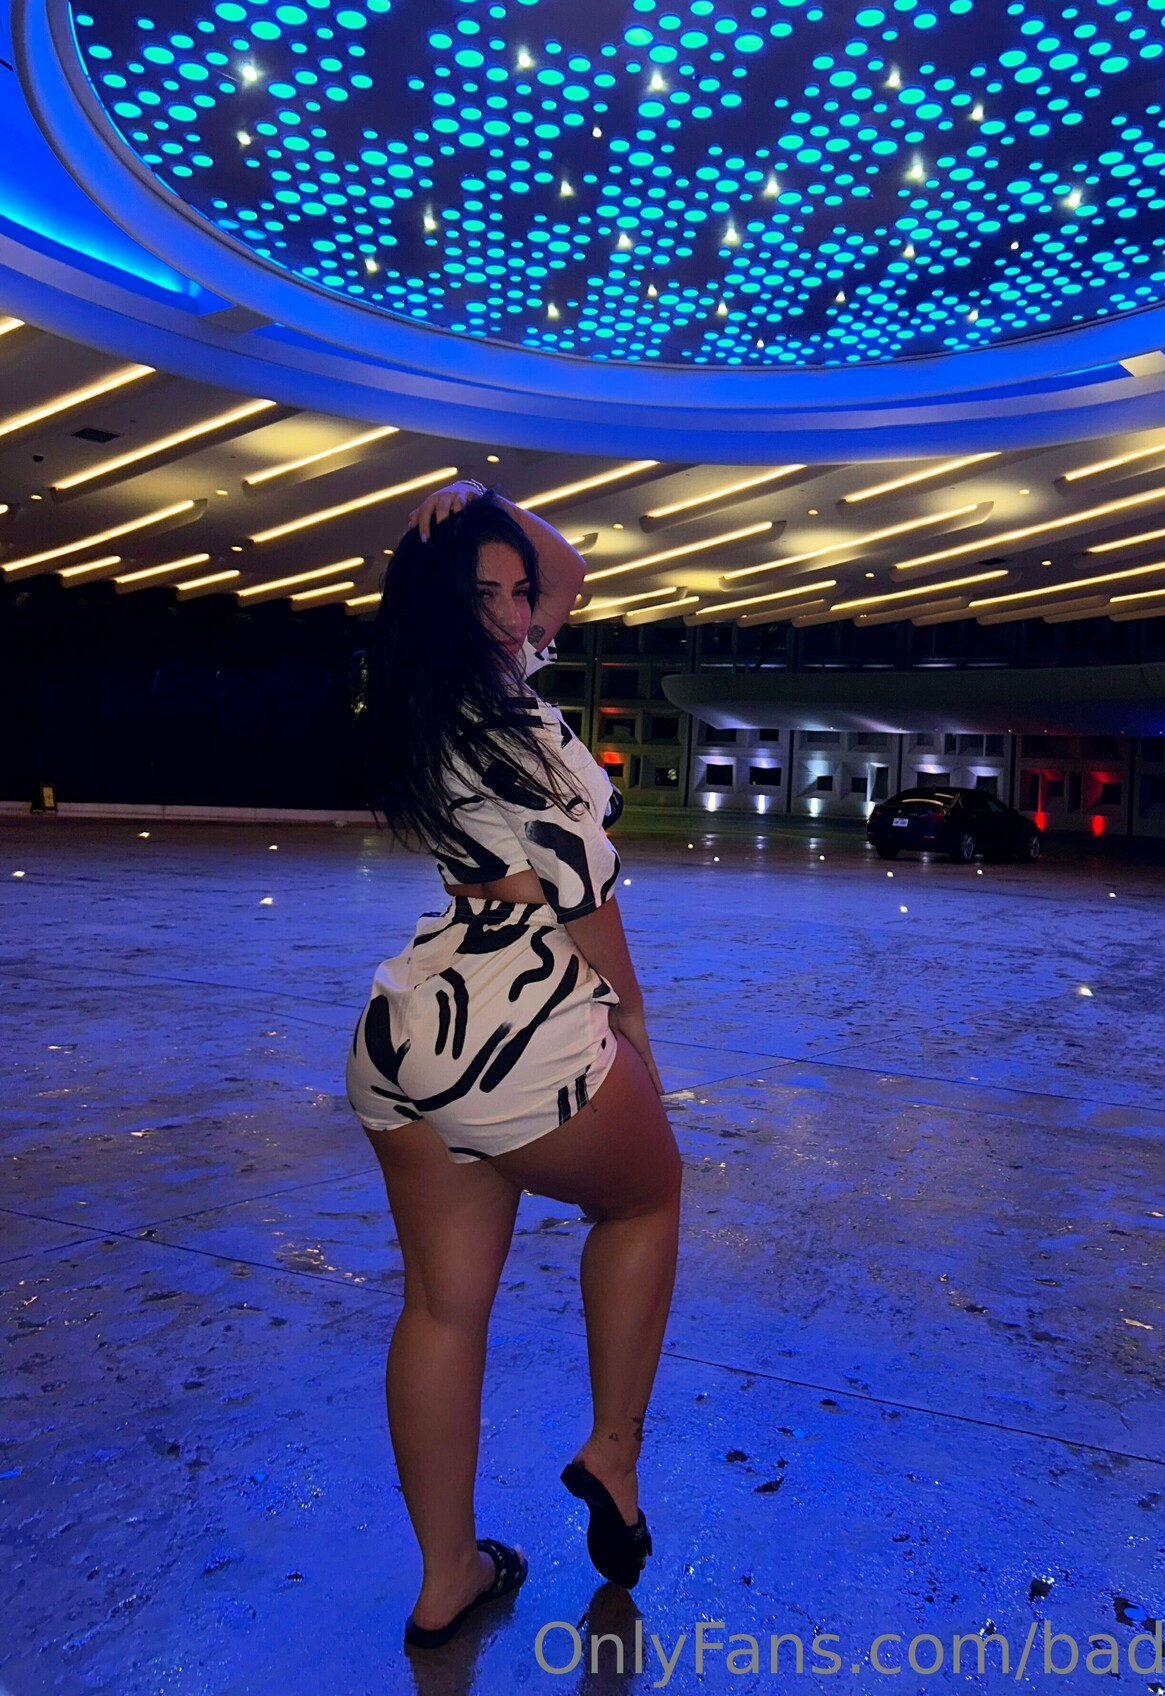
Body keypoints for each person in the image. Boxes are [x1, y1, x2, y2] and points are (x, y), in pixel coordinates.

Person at [347, 476, 682, 1650]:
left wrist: (481, 501)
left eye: (515, 594)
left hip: (412, 1031)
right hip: (522, 1024)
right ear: (444, 607)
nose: (515, 613)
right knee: (647, 1195)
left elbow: (564, 571)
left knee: (442, 1308)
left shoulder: (429, 704)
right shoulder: (514, 730)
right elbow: (584, 899)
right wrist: (632, 1024)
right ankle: (614, 1452)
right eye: (483, 595)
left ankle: (449, 1575)